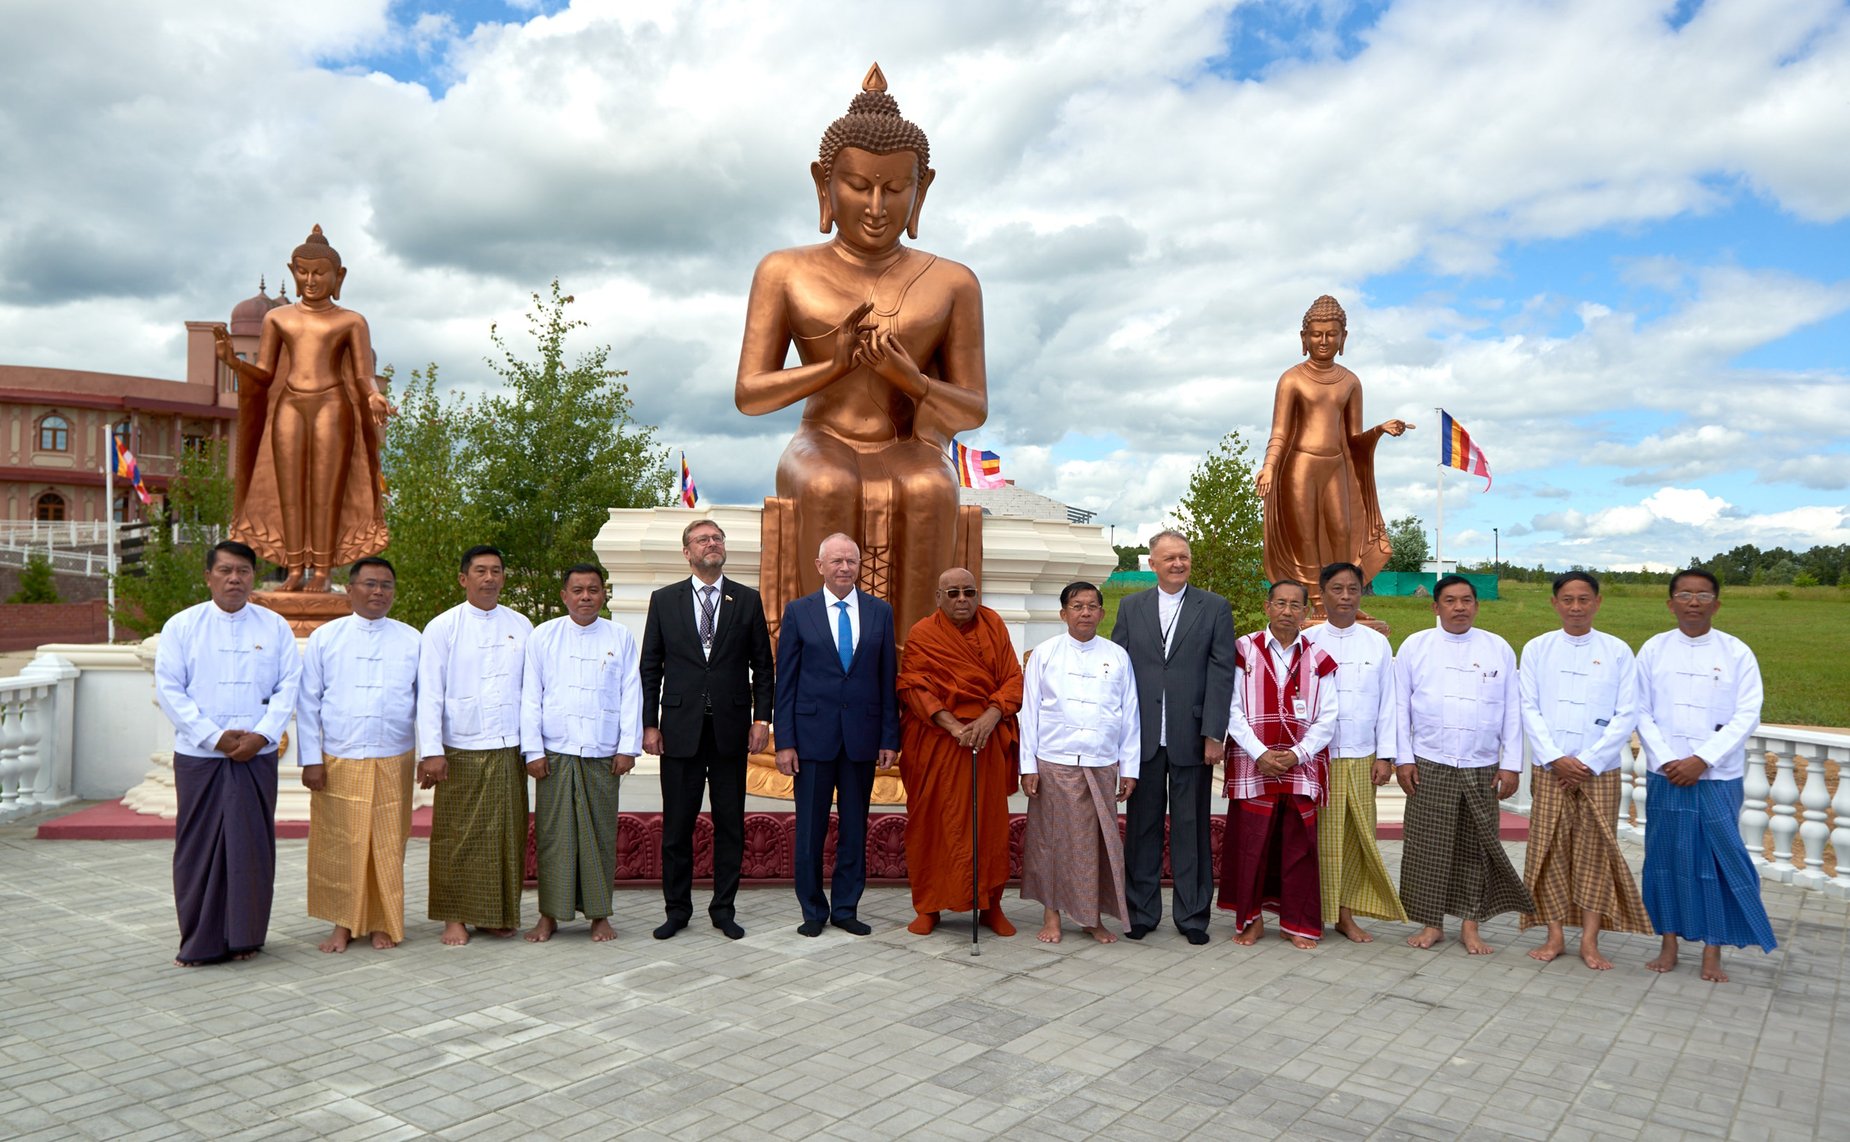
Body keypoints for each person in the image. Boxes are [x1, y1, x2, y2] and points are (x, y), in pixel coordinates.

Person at [735, 64, 988, 634]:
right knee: (829, 485)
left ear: (922, 189)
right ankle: (818, 649)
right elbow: (749, 394)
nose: (876, 207)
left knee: (929, 488)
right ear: (823, 183)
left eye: (895, 189)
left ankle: (919, 658)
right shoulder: (784, 271)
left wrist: (912, 380)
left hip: (908, 442)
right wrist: (833, 365)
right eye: (857, 186)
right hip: (824, 436)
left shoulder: (953, 282)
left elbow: (973, 407)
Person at [214, 225, 392, 592]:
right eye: (303, 272)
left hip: (332, 404)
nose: (310, 280)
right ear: (292, 272)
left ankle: (323, 571)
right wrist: (233, 362)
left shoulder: (351, 321)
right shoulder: (278, 318)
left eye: (319, 273)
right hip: (290, 405)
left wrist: (374, 395)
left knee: (326, 492)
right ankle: (295, 569)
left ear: (338, 276)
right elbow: (265, 374)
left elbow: (363, 375)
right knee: (290, 492)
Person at [153, 540, 302, 966]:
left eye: (243, 571)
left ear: (254, 578)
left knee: (250, 849)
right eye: (225, 571)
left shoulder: (274, 626)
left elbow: (288, 686)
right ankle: (200, 942)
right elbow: (170, 690)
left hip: (256, 755)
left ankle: (245, 937)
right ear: (208, 577)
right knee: (198, 849)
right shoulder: (183, 626)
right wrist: (214, 737)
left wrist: (262, 735)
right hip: (201, 757)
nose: (234, 579)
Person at [1636, 568, 1776, 983]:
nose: (1693, 602)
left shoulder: (1736, 653)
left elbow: (1747, 714)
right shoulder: (1654, 649)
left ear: (1716, 603)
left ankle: (1713, 948)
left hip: (1717, 776)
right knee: (1664, 859)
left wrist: (1703, 759)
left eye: (1702, 595)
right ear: (1670, 603)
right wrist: (1667, 759)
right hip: (1665, 774)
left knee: (1717, 859)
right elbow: (1639, 709)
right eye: (1684, 594)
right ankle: (1668, 942)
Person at [641, 519, 774, 941]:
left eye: (717, 538)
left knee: (730, 825)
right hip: (679, 731)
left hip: (731, 731)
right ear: (687, 552)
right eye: (702, 539)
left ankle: (723, 910)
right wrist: (649, 724)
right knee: (677, 827)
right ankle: (677, 910)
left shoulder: (747, 600)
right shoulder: (665, 600)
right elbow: (650, 667)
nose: (712, 544)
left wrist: (761, 719)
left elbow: (763, 667)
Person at [1517, 571, 1651, 970]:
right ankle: (1554, 934)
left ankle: (1590, 940)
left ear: (1597, 602)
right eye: (1568, 599)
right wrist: (1555, 757)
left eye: (1583, 599)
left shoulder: (1617, 651)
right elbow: (1529, 708)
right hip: (1550, 768)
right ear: (1554, 603)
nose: (1576, 607)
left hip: (1601, 771)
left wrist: (1589, 761)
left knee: (1595, 852)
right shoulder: (1538, 649)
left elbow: (1626, 712)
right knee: (1551, 850)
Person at [1394, 574, 1534, 953]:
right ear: (1435, 607)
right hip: (1429, 761)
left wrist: (1510, 764)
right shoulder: (1415, 646)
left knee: (1476, 846)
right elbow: (1399, 707)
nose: (1459, 607)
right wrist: (1403, 759)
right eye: (1450, 601)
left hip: (1482, 765)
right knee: (1428, 845)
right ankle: (1432, 923)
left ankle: (1471, 925)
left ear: (1477, 605)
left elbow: (1512, 711)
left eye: (1467, 600)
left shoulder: (1498, 648)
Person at [1109, 529, 1236, 944]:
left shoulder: (1214, 607)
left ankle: (1193, 916)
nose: (1178, 563)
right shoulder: (1131, 607)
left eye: (1184, 556)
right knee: (1141, 828)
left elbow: (1222, 672)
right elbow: (1117, 672)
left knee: (1191, 828)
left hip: (1192, 736)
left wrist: (1214, 733)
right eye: (1169, 558)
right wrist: (1118, 738)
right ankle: (1141, 912)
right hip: (1142, 738)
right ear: (1152, 564)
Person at [774, 533, 899, 937]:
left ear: (860, 565)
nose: (845, 568)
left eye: (851, 561)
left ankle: (846, 908)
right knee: (810, 829)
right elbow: (785, 682)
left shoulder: (880, 612)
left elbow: (887, 679)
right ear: (820, 566)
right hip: (811, 738)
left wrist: (889, 737)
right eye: (836, 561)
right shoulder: (799, 612)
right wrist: (784, 742)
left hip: (862, 737)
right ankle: (813, 910)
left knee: (854, 828)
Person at [1255, 294, 1411, 610]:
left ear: (1344, 337)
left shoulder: (1350, 381)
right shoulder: (1292, 379)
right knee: (1306, 536)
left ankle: (1344, 599)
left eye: (1331, 334)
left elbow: (1354, 438)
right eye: (1316, 334)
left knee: (1343, 532)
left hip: (1337, 466)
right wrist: (1269, 466)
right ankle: (1316, 601)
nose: (1324, 341)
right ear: (1304, 338)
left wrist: (1379, 429)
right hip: (1300, 465)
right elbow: (1279, 431)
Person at [298, 556, 420, 953]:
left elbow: (427, 701)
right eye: (370, 584)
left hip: (394, 755)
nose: (378, 592)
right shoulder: (325, 638)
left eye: (386, 585)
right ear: (349, 589)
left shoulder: (412, 639)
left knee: (387, 842)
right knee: (341, 843)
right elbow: (307, 702)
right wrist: (311, 759)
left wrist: (430, 753)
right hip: (340, 756)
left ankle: (383, 922)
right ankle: (343, 924)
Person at [896, 567, 1023, 937]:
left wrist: (991, 716)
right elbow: (913, 687)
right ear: (939, 598)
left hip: (986, 739)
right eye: (953, 593)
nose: (962, 600)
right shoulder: (923, 633)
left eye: (969, 592)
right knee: (933, 823)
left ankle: (991, 905)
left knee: (988, 825)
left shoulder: (993, 625)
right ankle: (928, 906)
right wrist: (953, 726)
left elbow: (1013, 678)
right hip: (937, 741)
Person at [417, 545, 533, 946]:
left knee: (506, 834)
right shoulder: (443, 627)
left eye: (496, 571)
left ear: (504, 578)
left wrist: (533, 746)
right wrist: (432, 751)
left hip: (509, 744)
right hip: (460, 746)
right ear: (463, 579)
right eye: (480, 571)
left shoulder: (521, 624)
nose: (489, 578)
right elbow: (429, 693)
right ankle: (454, 916)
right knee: (456, 835)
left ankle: (494, 915)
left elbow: (532, 690)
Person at [520, 563, 641, 943]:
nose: (585, 597)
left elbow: (631, 693)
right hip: (555, 752)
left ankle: (599, 915)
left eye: (592, 589)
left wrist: (627, 748)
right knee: (553, 837)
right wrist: (532, 751)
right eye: (577, 590)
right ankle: (549, 916)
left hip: (602, 753)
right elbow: (530, 697)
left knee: (600, 836)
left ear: (604, 594)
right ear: (564, 596)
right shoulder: (543, 636)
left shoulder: (620, 636)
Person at [1218, 580, 1338, 948]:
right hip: (1253, 762)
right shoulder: (1243, 650)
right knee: (1251, 844)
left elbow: (1328, 716)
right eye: (1280, 603)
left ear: (1306, 612)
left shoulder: (1319, 658)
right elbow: (1231, 709)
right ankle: (1251, 920)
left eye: (1295, 605)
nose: (1287, 611)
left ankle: (1295, 923)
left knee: (1298, 847)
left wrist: (1298, 754)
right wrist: (1260, 753)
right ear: (1267, 607)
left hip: (1301, 765)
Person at [1020, 582, 1141, 944]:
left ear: (1102, 613)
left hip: (1101, 761)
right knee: (1051, 841)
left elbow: (1130, 714)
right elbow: (1029, 713)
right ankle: (1052, 914)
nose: (1085, 612)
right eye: (1077, 606)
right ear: (1064, 614)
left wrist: (1129, 768)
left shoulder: (1117, 656)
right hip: (1054, 760)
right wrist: (1028, 766)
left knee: (1096, 843)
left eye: (1091, 606)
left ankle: (1091, 917)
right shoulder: (1045, 654)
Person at [1302, 562, 1408, 942]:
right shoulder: (1307, 642)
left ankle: (1345, 915)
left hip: (1363, 756)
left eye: (1353, 589)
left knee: (1355, 838)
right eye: (1337, 589)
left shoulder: (1377, 644)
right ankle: (1310, 914)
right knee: (1317, 838)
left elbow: (1388, 703)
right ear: (1322, 594)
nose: (1346, 597)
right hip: (1316, 757)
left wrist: (1385, 756)